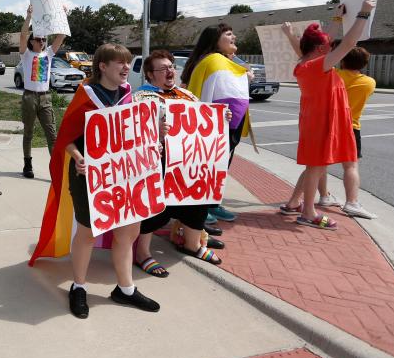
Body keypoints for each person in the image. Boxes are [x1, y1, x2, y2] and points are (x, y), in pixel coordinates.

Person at [29, 43, 160, 319]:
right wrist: (77, 156)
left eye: (128, 63)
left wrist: (152, 142)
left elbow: (131, 135)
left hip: (124, 177)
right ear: (103, 66)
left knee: (128, 233)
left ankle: (125, 289)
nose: (127, 68)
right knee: (87, 234)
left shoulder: (128, 94)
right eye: (120, 63)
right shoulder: (86, 95)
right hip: (89, 176)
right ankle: (79, 286)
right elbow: (67, 138)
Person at [133, 51, 229, 275]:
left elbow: (205, 122)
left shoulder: (187, 95)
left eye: (171, 66)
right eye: (163, 68)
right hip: (160, 165)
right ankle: (142, 253)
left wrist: (221, 119)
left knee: (197, 200)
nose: (170, 71)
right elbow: (134, 132)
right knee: (155, 207)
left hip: (190, 164)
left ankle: (193, 244)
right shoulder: (141, 98)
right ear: (150, 74)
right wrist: (155, 132)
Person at [279, 16, 378, 224]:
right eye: (328, 45)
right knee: (316, 167)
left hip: (316, 121)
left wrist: (336, 18)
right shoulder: (317, 66)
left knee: (315, 167)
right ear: (319, 49)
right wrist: (363, 14)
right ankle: (307, 213)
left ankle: (295, 204)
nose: (331, 47)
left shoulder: (306, 64)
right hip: (322, 122)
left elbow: (312, 46)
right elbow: (349, 43)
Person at [180, 24, 249, 224]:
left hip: (230, 125)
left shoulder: (226, 61)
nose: (234, 36)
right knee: (206, 164)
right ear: (215, 40)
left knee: (220, 165)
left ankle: (211, 202)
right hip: (213, 125)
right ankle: (199, 206)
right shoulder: (211, 61)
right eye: (228, 34)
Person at [18, 5, 65, 178]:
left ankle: (56, 169)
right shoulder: (26, 54)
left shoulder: (49, 54)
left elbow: (61, 36)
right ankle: (27, 164)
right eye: (39, 39)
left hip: (45, 98)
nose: (42, 42)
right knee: (28, 132)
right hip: (29, 97)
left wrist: (62, 15)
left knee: (52, 134)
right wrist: (28, 16)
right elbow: (23, 35)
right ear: (32, 41)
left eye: (44, 39)